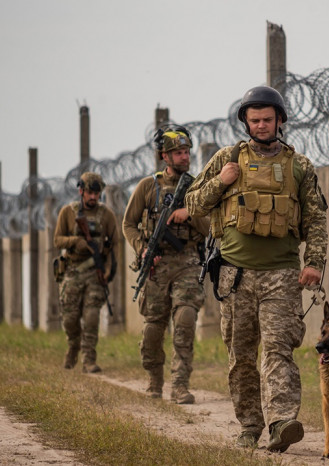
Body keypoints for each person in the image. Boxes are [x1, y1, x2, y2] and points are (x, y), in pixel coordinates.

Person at [185, 86, 328, 451]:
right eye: (255, 120)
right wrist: (222, 181)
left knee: (278, 349)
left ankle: (282, 422)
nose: (262, 125)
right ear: (246, 122)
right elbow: (194, 205)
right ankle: (250, 424)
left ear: (279, 120)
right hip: (235, 275)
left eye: (268, 119)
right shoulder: (225, 159)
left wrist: (313, 263)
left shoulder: (299, 166)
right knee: (242, 357)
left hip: (281, 275)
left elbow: (315, 219)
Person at [122, 126, 209, 404]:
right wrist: (143, 248)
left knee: (184, 320)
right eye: (178, 153)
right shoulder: (149, 187)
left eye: (186, 152)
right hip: (157, 266)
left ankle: (180, 385)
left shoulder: (197, 187)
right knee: (152, 329)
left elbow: (209, 227)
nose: (185, 157)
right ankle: (154, 381)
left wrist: (189, 213)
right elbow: (128, 224)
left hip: (188, 262)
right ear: (164, 157)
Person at [53, 172, 117, 373]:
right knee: (70, 318)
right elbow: (57, 240)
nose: (93, 197)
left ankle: (89, 358)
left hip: (93, 272)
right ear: (81, 191)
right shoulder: (68, 212)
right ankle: (74, 345)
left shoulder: (106, 215)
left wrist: (107, 271)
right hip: (72, 271)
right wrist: (76, 242)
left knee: (91, 316)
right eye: (89, 192)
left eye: (97, 193)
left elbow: (114, 245)